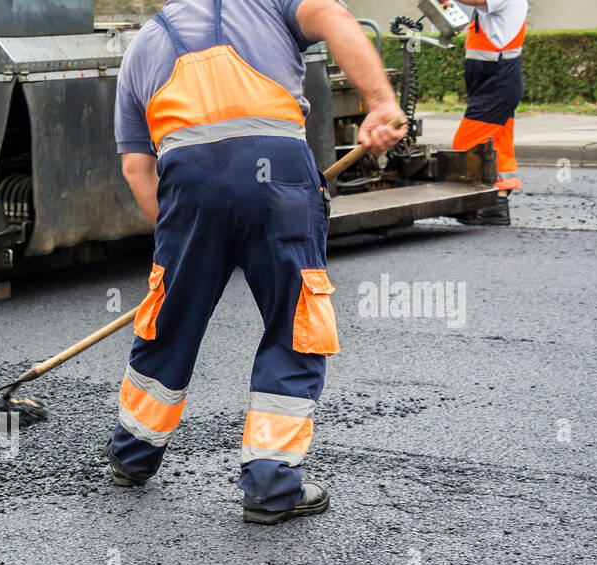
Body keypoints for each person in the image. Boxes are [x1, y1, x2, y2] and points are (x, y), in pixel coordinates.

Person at [108, 0, 405, 524]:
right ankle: (270, 485)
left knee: (169, 321)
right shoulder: (271, 4)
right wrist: (379, 103)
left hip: (188, 188)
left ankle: (132, 457)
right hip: (278, 179)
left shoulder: (143, 45)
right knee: (295, 322)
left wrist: (183, 245)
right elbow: (337, 18)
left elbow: (138, 168)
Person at [451, 0, 529, 226]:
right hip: (493, 75)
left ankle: (473, 205)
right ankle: (495, 206)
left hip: (497, 76)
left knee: (466, 142)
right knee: (497, 143)